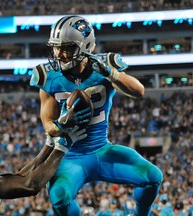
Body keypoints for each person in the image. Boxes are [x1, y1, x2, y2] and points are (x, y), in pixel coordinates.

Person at [30, 15, 163, 216]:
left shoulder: (105, 65)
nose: (60, 54)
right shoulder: (48, 75)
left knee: (153, 176)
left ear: (86, 46)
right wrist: (62, 125)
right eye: (57, 47)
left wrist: (111, 73)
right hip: (69, 157)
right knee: (59, 198)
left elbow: (139, 91)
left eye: (67, 47)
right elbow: (48, 125)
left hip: (101, 149)